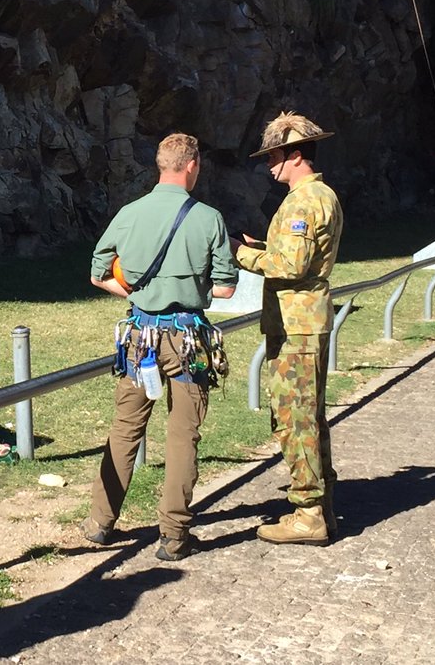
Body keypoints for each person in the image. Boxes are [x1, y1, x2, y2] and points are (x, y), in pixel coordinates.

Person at [84, 133, 238, 561]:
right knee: (182, 435)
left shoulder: (130, 213)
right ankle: (173, 534)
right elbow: (225, 290)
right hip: (189, 340)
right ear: (192, 166)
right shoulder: (209, 219)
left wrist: (133, 293)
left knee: (125, 429)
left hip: (139, 338)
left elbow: (98, 273)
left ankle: (100, 522)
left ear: (160, 165)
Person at [231, 112, 342, 545]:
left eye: (273, 156)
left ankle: (308, 513)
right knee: (310, 416)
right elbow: (300, 255)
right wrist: (266, 247)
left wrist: (242, 253)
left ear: (295, 155)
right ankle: (322, 507)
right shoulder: (321, 196)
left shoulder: (301, 201)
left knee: (295, 418)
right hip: (305, 320)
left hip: (296, 324)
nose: (268, 165)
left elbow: (290, 265)